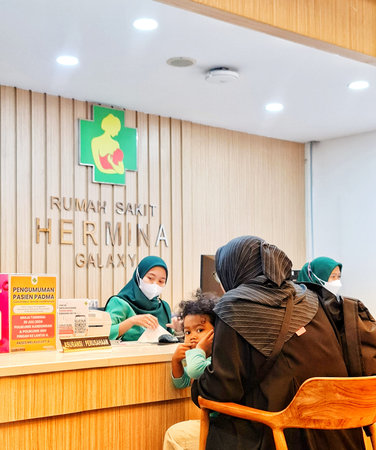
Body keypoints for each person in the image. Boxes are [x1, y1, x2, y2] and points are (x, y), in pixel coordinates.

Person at [191, 236, 365, 450]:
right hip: (342, 434)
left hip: (282, 433)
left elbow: (222, 388)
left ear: (232, 269)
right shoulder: (310, 297)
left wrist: (197, 384)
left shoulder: (235, 306)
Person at [163, 291, 218, 450]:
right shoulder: (198, 357)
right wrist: (176, 362)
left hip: (223, 426)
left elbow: (195, 372)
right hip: (213, 422)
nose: (192, 336)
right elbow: (183, 382)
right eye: (187, 332)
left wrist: (199, 350)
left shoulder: (216, 357)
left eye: (200, 330)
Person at [105, 256, 171, 341]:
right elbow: (104, 334)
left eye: (161, 281)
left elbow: (171, 339)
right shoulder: (119, 303)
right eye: (150, 278)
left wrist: (179, 330)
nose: (155, 284)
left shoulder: (164, 307)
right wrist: (132, 321)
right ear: (138, 276)